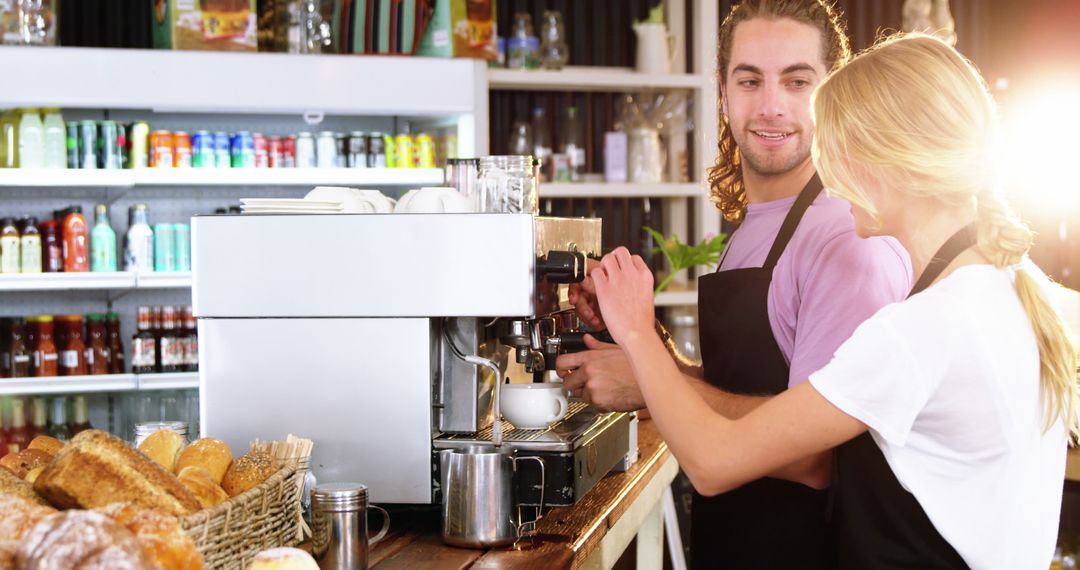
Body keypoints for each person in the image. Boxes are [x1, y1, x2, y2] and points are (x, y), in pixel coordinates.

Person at [584, 33, 1080, 569]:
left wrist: (634, 328)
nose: (830, 178)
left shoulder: (921, 331)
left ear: (892, 162)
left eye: (838, 151)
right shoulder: (1011, 285)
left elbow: (713, 461)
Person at [557, 1, 910, 568]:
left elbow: (812, 457)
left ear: (834, 91)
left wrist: (649, 380)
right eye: (750, 80)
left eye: (798, 81)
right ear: (723, 93)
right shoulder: (759, 222)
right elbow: (738, 389)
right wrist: (639, 336)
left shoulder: (845, 237)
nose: (771, 105)